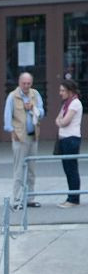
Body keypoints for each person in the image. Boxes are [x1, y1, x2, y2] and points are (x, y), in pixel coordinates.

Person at [3, 72, 44, 209]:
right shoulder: (12, 96)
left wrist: (33, 108)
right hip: (20, 137)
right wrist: (12, 131)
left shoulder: (35, 94)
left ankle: (30, 198)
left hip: (33, 136)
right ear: (19, 83)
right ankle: (16, 200)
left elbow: (42, 112)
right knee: (19, 170)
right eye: (24, 83)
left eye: (28, 83)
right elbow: (7, 117)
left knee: (32, 169)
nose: (26, 86)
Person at [55, 79, 82, 208]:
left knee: (71, 169)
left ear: (70, 91)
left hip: (71, 139)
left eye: (63, 90)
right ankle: (70, 196)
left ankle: (74, 198)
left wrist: (60, 121)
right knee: (67, 169)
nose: (60, 93)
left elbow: (64, 121)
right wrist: (60, 120)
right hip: (64, 139)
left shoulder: (75, 104)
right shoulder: (66, 104)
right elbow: (58, 119)